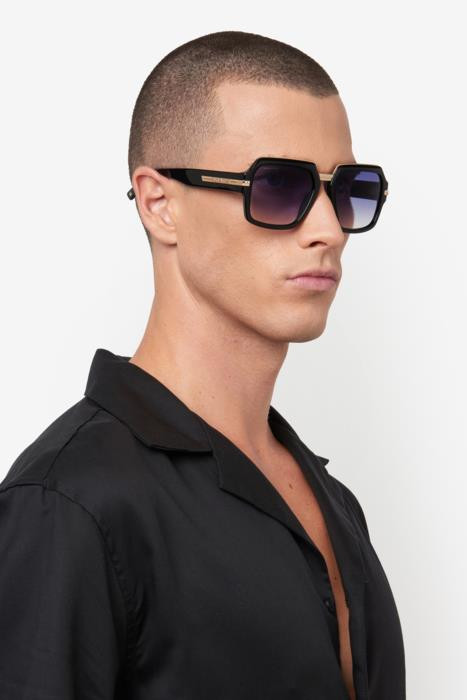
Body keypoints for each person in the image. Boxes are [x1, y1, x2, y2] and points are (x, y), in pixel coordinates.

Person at [0, 30, 405, 700]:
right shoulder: (69, 503)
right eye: (279, 186)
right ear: (160, 204)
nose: (329, 230)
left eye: (347, 190)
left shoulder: (334, 504)